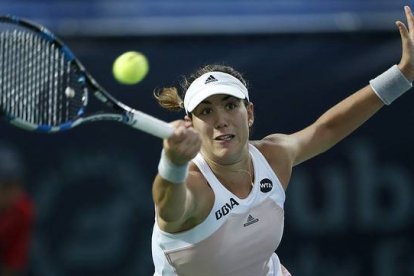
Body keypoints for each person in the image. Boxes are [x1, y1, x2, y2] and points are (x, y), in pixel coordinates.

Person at [151, 6, 414, 276]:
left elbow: (328, 128)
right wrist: (172, 162)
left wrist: (403, 75)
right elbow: (169, 209)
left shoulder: (274, 156)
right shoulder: (195, 185)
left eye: (230, 106)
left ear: (249, 113)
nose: (221, 120)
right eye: (206, 111)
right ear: (189, 125)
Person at [0, 142, 35, 276]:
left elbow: (12, 266)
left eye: (17, 184)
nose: (14, 193)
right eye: (7, 185)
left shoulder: (23, 211)